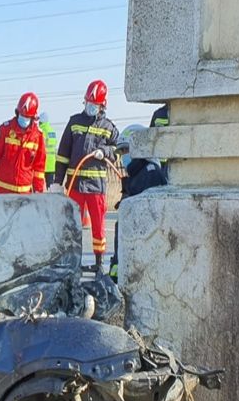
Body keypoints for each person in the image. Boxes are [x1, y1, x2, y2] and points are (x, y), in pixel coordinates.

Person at [49, 79, 120, 272]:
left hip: (96, 186)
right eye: (88, 103)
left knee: (98, 227)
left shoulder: (109, 127)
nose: (90, 107)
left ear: (102, 105)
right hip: (75, 185)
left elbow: (118, 149)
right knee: (73, 226)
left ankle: (98, 265)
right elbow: (63, 154)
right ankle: (74, 263)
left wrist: (104, 152)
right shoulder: (74, 122)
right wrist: (57, 182)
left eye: (94, 105)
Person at [109, 124, 168, 280]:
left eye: (126, 150)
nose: (123, 156)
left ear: (140, 148)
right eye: (121, 152)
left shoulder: (150, 174)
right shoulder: (137, 174)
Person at [0, 92, 47, 194]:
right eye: (22, 115)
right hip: (2, 192)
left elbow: (39, 168)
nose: (24, 119)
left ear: (33, 118)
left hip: (24, 195)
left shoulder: (37, 136)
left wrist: (38, 192)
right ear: (17, 113)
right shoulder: (5, 129)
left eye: (27, 117)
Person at [38, 113, 57, 185]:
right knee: (50, 186)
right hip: (52, 163)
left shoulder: (41, 131)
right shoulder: (52, 131)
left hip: (42, 163)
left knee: (38, 187)